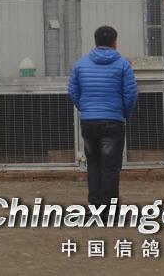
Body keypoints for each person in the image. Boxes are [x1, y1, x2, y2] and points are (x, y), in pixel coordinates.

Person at [68, 25, 138, 208]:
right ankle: (109, 211)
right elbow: (130, 94)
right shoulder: (123, 65)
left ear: (95, 41)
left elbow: (73, 91)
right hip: (113, 122)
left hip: (89, 122)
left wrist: (86, 109)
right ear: (115, 43)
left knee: (93, 165)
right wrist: (124, 114)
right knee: (110, 168)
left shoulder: (80, 64)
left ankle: (95, 208)